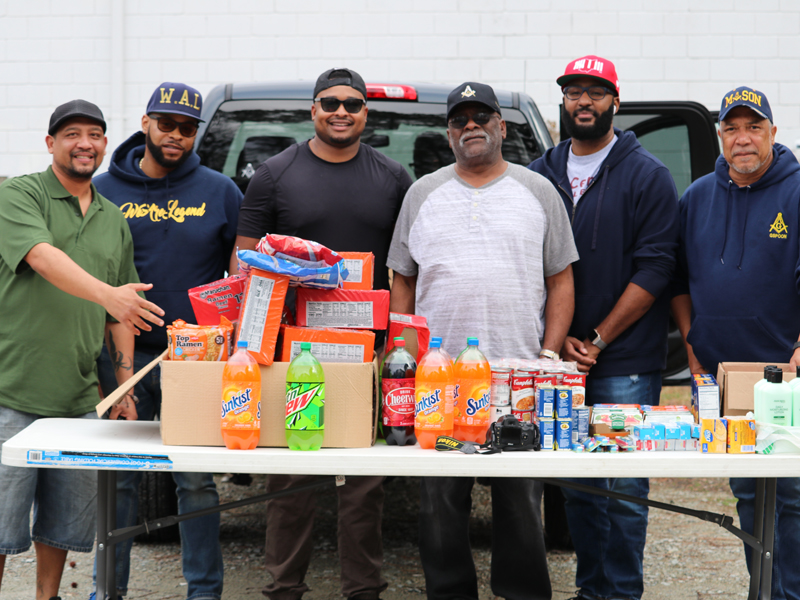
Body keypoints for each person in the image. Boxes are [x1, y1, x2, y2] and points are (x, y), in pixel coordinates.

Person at [388, 81, 577, 600]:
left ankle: (522, 593)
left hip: (517, 382)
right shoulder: (422, 194)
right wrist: (404, 358)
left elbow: (561, 279)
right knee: (441, 500)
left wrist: (548, 357)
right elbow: (403, 281)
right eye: (459, 120)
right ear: (449, 133)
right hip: (439, 382)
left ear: (502, 126)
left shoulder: (538, 191)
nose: (470, 125)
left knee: (520, 502)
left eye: (481, 117)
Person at [232, 68, 412, 600]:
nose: (341, 112)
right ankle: (284, 587)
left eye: (352, 104)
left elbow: (407, 269)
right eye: (330, 102)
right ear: (313, 109)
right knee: (292, 476)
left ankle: (363, 589)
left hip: (367, 348)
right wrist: (249, 343)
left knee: (363, 479)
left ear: (365, 113)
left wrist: (398, 342)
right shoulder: (274, 175)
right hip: (292, 348)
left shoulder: (392, 178)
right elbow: (244, 266)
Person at [0, 100, 163, 600]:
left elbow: (121, 311)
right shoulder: (20, 194)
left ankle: (46, 597)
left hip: (77, 399)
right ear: (51, 143)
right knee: (1, 526)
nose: (84, 144)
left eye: (94, 134)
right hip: (11, 391)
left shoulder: (113, 218)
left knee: (63, 526)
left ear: (105, 144)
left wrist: (125, 386)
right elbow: (41, 257)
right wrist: (108, 294)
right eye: (72, 134)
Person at [529, 55, 679, 600]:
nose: (583, 102)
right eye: (574, 92)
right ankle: (591, 591)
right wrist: (555, 344)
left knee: (623, 489)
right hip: (558, 360)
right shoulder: (540, 173)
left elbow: (657, 268)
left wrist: (596, 339)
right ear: (563, 101)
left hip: (624, 362)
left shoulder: (647, 175)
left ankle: (620, 593)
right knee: (578, 487)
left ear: (615, 101)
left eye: (595, 92)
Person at [88, 82, 243, 600]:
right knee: (119, 480)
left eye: (187, 128)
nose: (176, 135)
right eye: (167, 123)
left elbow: (240, 273)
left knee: (195, 480)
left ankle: (205, 592)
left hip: (194, 358)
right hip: (121, 356)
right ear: (146, 123)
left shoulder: (221, 191)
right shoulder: (104, 190)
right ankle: (108, 591)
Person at [672, 86, 800, 600]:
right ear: (720, 135)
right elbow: (678, 281)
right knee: (747, 492)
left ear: (773, 132)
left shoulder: (796, 191)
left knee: (791, 497)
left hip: (786, 378)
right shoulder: (697, 197)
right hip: (722, 378)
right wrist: (691, 346)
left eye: (754, 127)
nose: (742, 138)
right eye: (732, 128)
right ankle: (763, 591)